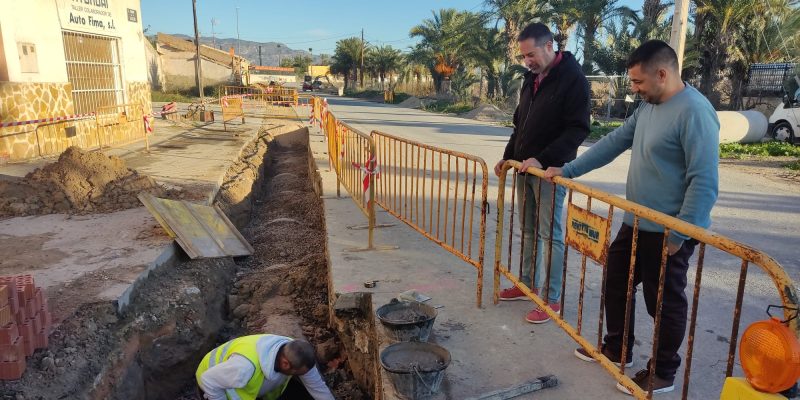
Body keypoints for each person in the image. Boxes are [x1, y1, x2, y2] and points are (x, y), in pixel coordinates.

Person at [544, 40, 719, 395]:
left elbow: (704, 180)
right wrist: (569, 169)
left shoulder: (695, 112)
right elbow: (615, 141)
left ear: (662, 73)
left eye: (639, 82)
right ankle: (617, 348)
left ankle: (664, 372)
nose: (634, 89)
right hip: (635, 221)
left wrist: (680, 235)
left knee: (663, 302)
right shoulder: (647, 107)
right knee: (616, 280)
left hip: (671, 229)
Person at [494, 22, 590, 324]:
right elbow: (519, 123)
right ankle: (526, 284)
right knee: (528, 229)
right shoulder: (530, 79)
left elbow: (578, 129)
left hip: (550, 171)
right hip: (524, 169)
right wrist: (508, 157)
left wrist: (543, 159)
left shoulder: (573, 79)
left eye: (531, 54)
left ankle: (551, 299)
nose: (528, 61)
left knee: (550, 235)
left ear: (550, 46)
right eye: (524, 57)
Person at [195, 334, 335, 400]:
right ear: (285, 364)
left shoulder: (294, 352)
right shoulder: (244, 367)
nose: (303, 375)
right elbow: (208, 380)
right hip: (214, 384)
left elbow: (317, 387)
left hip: (243, 383)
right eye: (298, 373)